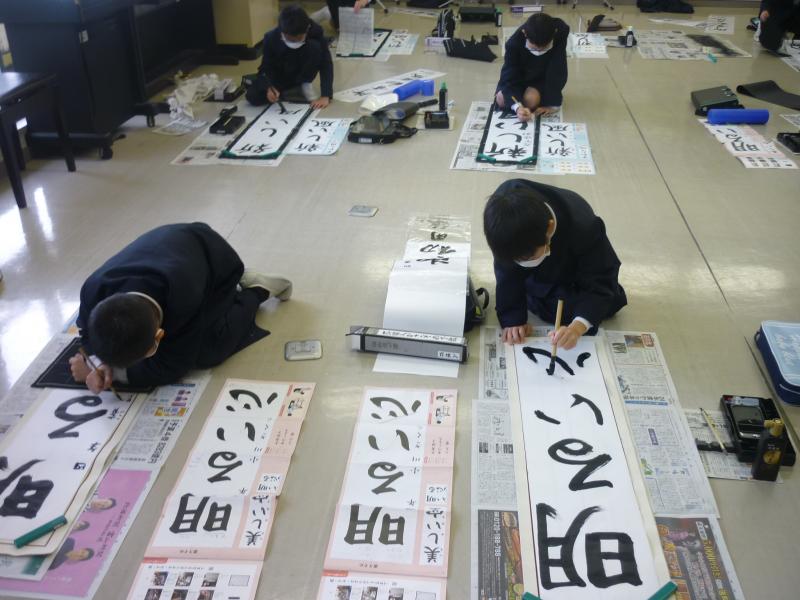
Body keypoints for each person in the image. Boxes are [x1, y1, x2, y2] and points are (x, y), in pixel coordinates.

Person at [69, 223, 291, 390]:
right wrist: (97, 362)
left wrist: (114, 374)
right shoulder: (93, 290)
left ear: (159, 335)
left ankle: (255, 290)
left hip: (215, 260)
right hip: (171, 251)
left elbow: (174, 366)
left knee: (209, 350)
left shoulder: (182, 299)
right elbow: (86, 333)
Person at [483, 179, 627, 349]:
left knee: (600, 303)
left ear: (549, 228)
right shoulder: (502, 212)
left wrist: (577, 327)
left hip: (572, 267)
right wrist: (512, 320)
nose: (520, 263)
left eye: (528, 257)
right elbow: (505, 270)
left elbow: (601, 277)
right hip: (538, 252)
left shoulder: (583, 226)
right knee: (514, 276)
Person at [246, 5, 333, 109]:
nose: (294, 43)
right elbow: (265, 67)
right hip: (281, 74)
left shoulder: (316, 32)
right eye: (290, 40)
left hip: (303, 72)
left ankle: (303, 85)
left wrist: (325, 95)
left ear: (307, 29)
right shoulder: (271, 37)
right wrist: (269, 87)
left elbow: (326, 64)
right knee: (252, 96)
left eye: (299, 39)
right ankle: (287, 92)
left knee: (314, 47)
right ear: (282, 31)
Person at [496, 13, 569, 121]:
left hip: (540, 78)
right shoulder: (513, 44)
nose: (538, 51)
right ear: (524, 33)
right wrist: (518, 107)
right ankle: (519, 102)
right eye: (534, 48)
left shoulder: (560, 31)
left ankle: (530, 97)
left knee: (531, 100)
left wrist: (553, 105)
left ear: (554, 33)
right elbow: (509, 77)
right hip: (519, 77)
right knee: (501, 99)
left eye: (544, 48)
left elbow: (558, 68)